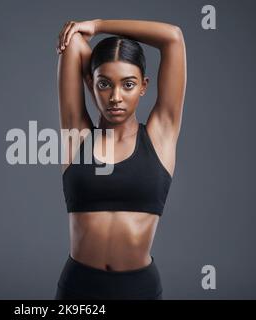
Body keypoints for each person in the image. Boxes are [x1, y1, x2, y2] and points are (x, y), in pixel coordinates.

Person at [55, 19, 186, 300]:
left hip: (139, 290)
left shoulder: (160, 135)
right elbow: (75, 42)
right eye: (104, 85)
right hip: (78, 289)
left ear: (143, 86)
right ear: (90, 83)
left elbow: (173, 38)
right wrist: (99, 73)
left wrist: (99, 25)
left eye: (128, 84)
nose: (115, 97)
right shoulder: (76, 134)